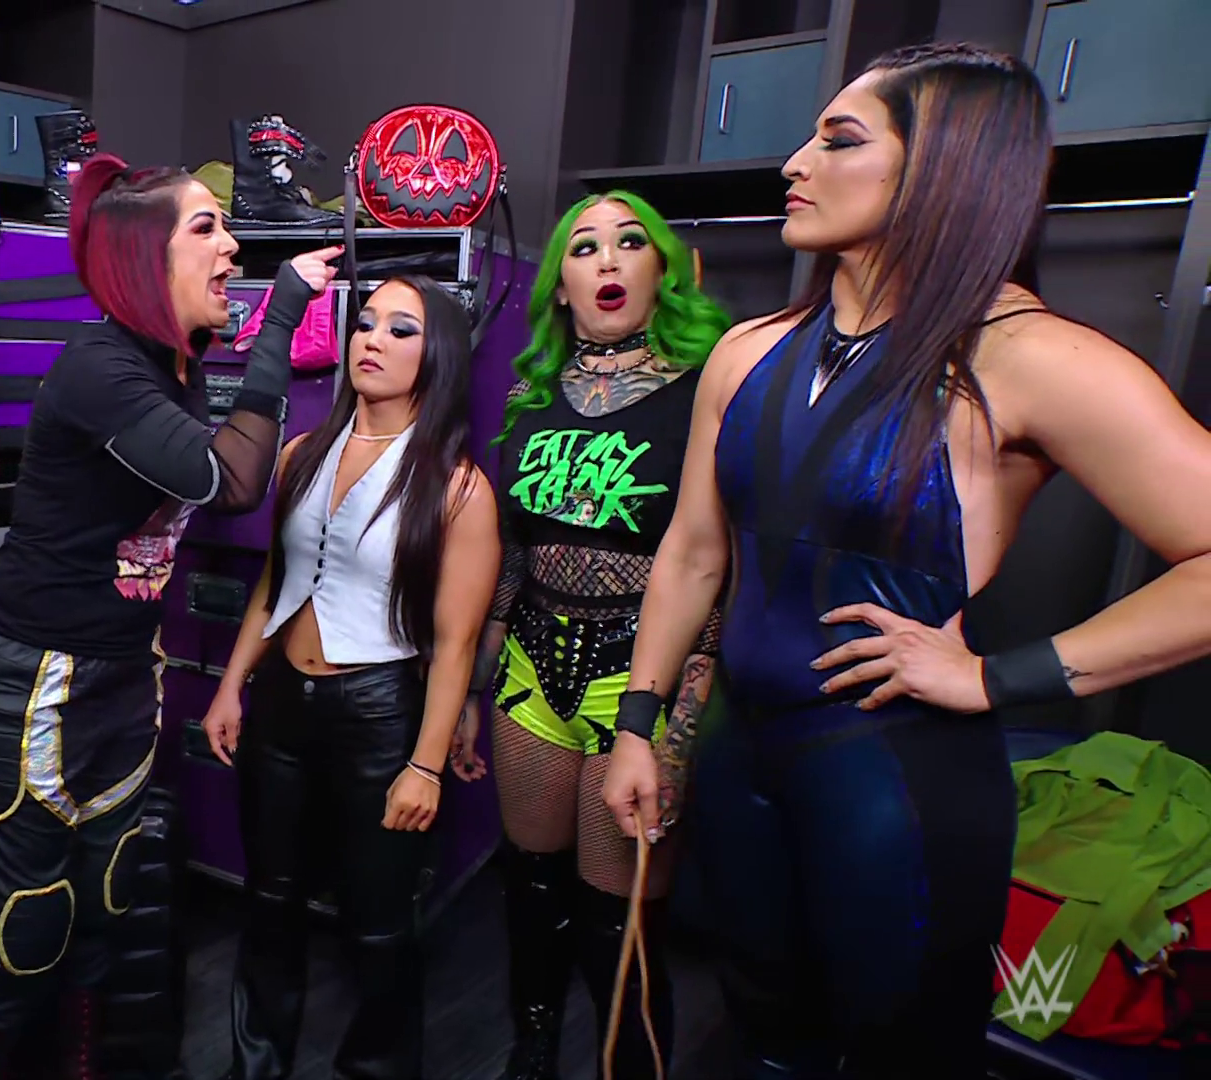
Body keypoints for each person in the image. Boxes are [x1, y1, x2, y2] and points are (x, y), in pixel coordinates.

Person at [602, 42, 1211, 1075]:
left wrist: (996, 677)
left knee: (903, 1054)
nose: (794, 163)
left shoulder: (1028, 357)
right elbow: (695, 554)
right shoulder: (749, 350)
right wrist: (638, 724)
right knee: (761, 1035)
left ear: (944, 169)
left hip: (896, 784)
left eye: (838, 140)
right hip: (739, 758)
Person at [0, 150, 340, 1076]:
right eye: (207, 227)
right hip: (31, 685)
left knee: (105, 908)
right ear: (144, 261)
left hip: (118, 676)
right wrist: (281, 315)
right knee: (25, 924)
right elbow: (231, 482)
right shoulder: (100, 369)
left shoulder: (169, 368)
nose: (232, 247)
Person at [202, 276, 499, 1080]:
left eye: (401, 329)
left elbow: (455, 642)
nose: (372, 338)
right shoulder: (302, 451)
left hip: (378, 714)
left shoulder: (458, 486)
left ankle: (377, 1068)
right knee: (270, 902)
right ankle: (256, 1065)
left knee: (377, 922)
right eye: (366, 322)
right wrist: (231, 684)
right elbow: (275, 581)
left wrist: (425, 765)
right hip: (281, 707)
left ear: (436, 356)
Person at [465, 191, 730, 1080]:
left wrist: (680, 722)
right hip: (531, 668)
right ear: (560, 283)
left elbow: (714, 568)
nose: (607, 260)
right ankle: (533, 1048)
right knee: (531, 886)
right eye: (583, 247)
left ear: (662, 270)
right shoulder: (531, 395)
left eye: (629, 242)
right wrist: (473, 690)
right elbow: (513, 551)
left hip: (641, 677)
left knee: (618, 920)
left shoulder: (705, 395)